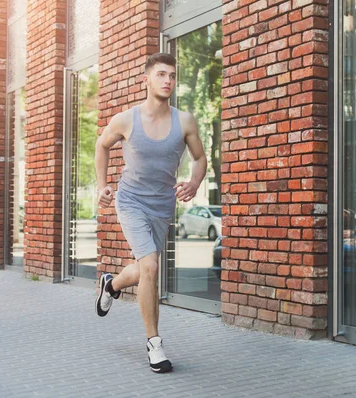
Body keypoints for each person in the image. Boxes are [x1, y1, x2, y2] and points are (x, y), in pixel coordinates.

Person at [94, 53, 207, 373]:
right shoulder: (126, 119)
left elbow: (201, 159)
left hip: (162, 206)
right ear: (147, 79)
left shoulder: (184, 121)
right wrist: (102, 185)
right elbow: (102, 145)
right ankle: (154, 344)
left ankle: (112, 285)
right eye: (161, 74)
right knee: (152, 265)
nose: (167, 80)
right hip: (130, 201)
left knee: (146, 268)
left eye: (172, 75)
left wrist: (195, 183)